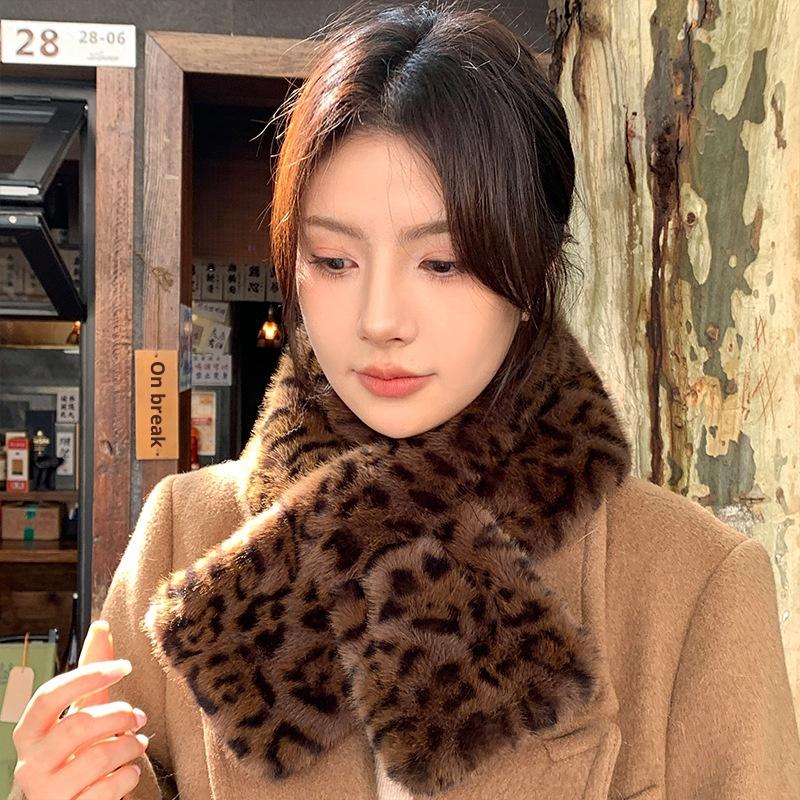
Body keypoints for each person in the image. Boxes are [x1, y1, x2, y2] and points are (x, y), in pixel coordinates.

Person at [9, 2, 800, 799]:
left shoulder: (693, 586)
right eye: (334, 259)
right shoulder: (185, 535)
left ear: (534, 270)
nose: (380, 319)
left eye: (442, 262)